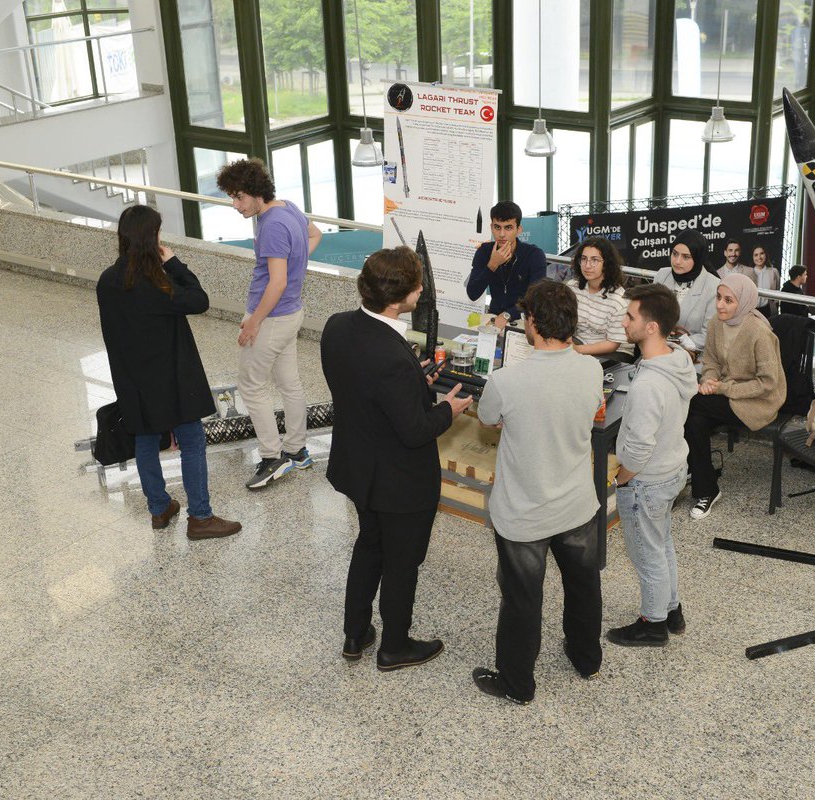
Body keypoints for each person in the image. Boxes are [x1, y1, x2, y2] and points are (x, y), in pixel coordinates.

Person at [322, 247, 473, 671]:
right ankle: (395, 645)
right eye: (417, 287)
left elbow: (362, 389)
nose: (421, 291)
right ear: (397, 300)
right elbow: (415, 431)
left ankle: (355, 633)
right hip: (399, 481)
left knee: (368, 544)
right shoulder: (390, 356)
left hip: (357, 467)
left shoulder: (337, 327)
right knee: (402, 561)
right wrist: (448, 409)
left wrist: (414, 383)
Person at [471, 280, 605, 705]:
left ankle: (516, 683)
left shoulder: (507, 380)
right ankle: (586, 658)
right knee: (583, 587)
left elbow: (487, 419)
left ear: (531, 323)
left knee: (522, 600)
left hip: (524, 512)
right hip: (578, 504)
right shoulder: (591, 368)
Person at [96, 205, 241, 540]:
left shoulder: (108, 280)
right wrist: (173, 262)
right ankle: (201, 517)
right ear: (153, 238)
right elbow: (199, 300)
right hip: (174, 380)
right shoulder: (156, 283)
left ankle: (159, 509)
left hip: (133, 380)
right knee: (191, 442)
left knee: (146, 441)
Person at [217, 158, 322, 490]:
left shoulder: (273, 225)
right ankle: (297, 449)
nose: (235, 205)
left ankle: (272, 457)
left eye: (239, 197)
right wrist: (294, 266)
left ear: (256, 192)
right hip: (291, 313)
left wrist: (253, 324)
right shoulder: (287, 208)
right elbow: (314, 235)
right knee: (289, 384)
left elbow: (275, 284)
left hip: (272, 317)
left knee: (252, 386)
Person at [607, 283, 697, 647]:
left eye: (630, 316)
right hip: (673, 467)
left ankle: (653, 623)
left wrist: (623, 477)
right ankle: (671, 609)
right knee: (662, 544)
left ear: (651, 327)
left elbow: (639, 448)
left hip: (648, 479)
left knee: (646, 553)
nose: (624, 320)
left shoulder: (648, 385)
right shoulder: (677, 359)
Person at [684, 274, 786, 520]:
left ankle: (692, 470)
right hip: (725, 394)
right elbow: (711, 361)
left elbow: (768, 383)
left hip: (758, 402)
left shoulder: (759, 332)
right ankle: (706, 488)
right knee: (695, 420)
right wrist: (708, 379)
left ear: (744, 302)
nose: (720, 305)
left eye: (729, 300)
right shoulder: (717, 323)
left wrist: (721, 388)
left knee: (692, 405)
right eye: (719, 297)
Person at [465, 200, 547, 331]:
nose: (502, 234)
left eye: (508, 227)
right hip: (494, 317)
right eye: (497, 227)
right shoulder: (484, 251)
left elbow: (537, 299)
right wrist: (492, 264)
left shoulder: (534, 255)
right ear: (491, 227)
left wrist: (508, 315)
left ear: (518, 230)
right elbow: (472, 293)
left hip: (523, 320)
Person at [652, 230, 720, 354]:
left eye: (686, 257)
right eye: (674, 253)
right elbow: (650, 315)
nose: (677, 261)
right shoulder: (662, 275)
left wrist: (675, 341)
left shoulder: (713, 286)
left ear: (698, 258)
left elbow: (707, 336)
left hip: (694, 356)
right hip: (656, 349)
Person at [566, 237, 630, 357]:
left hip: (614, 353)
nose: (587, 266)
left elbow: (612, 344)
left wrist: (578, 350)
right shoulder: (572, 287)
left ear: (606, 264)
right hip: (579, 343)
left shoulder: (618, 300)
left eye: (594, 260)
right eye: (584, 259)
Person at [751, 244, 782, 315]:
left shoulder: (774, 272)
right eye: (756, 255)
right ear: (752, 257)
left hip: (768, 310)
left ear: (765, 255)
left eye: (761, 253)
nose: (759, 257)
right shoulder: (748, 272)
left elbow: (777, 293)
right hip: (752, 311)